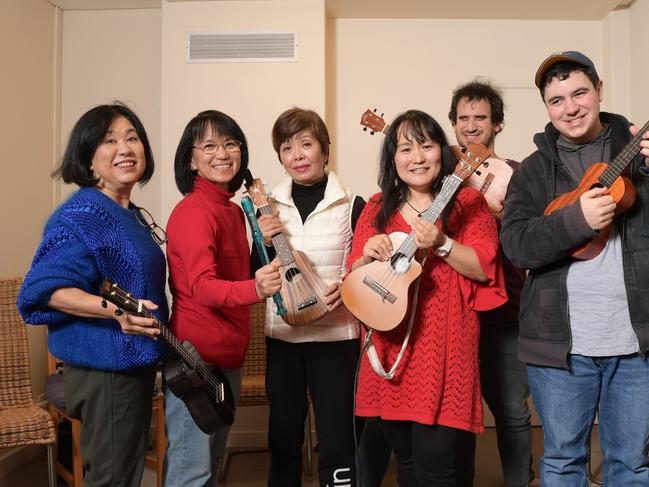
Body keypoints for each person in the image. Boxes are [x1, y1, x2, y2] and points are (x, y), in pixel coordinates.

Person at [500, 51, 649, 485]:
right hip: (558, 349)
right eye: (556, 99)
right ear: (546, 107)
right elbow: (516, 246)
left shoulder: (638, 154)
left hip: (637, 343)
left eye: (580, 92)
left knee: (633, 464)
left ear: (599, 91)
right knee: (563, 461)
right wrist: (576, 221)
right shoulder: (530, 172)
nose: (570, 107)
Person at [348, 109, 507, 486]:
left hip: (446, 353)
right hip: (390, 354)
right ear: (392, 157)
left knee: (437, 467)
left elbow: (484, 267)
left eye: (426, 146)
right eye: (405, 148)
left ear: (443, 152)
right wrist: (366, 256)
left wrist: (443, 243)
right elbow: (353, 281)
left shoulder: (468, 204)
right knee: (406, 464)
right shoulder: (375, 208)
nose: (417, 157)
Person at [17, 102, 167, 487]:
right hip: (106, 370)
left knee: (124, 473)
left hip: (130, 366)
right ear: (88, 160)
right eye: (110, 140)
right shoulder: (82, 214)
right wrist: (114, 312)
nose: (125, 148)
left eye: (132, 138)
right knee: (114, 479)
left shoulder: (127, 212)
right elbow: (43, 289)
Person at [164, 110, 281, 487]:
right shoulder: (194, 213)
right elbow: (203, 287)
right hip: (197, 358)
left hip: (227, 356)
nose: (223, 153)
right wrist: (256, 289)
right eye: (209, 146)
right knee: (192, 473)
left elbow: (234, 275)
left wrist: (260, 245)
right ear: (191, 160)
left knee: (211, 466)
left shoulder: (231, 210)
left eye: (230, 144)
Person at [252, 107, 365, 487]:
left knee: (337, 438)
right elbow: (254, 272)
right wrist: (263, 241)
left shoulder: (352, 204)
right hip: (283, 337)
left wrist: (346, 288)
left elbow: (366, 267)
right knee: (283, 437)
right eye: (287, 148)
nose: (297, 155)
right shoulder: (265, 206)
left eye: (306, 144)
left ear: (324, 150)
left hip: (336, 338)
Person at [449, 80, 534, 487]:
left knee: (513, 410)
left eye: (480, 117)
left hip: (508, 309)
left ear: (496, 124)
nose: (470, 125)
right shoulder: (441, 174)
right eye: (463, 118)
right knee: (458, 411)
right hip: (454, 310)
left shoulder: (516, 173)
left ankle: (520, 480)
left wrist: (487, 200)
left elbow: (530, 233)